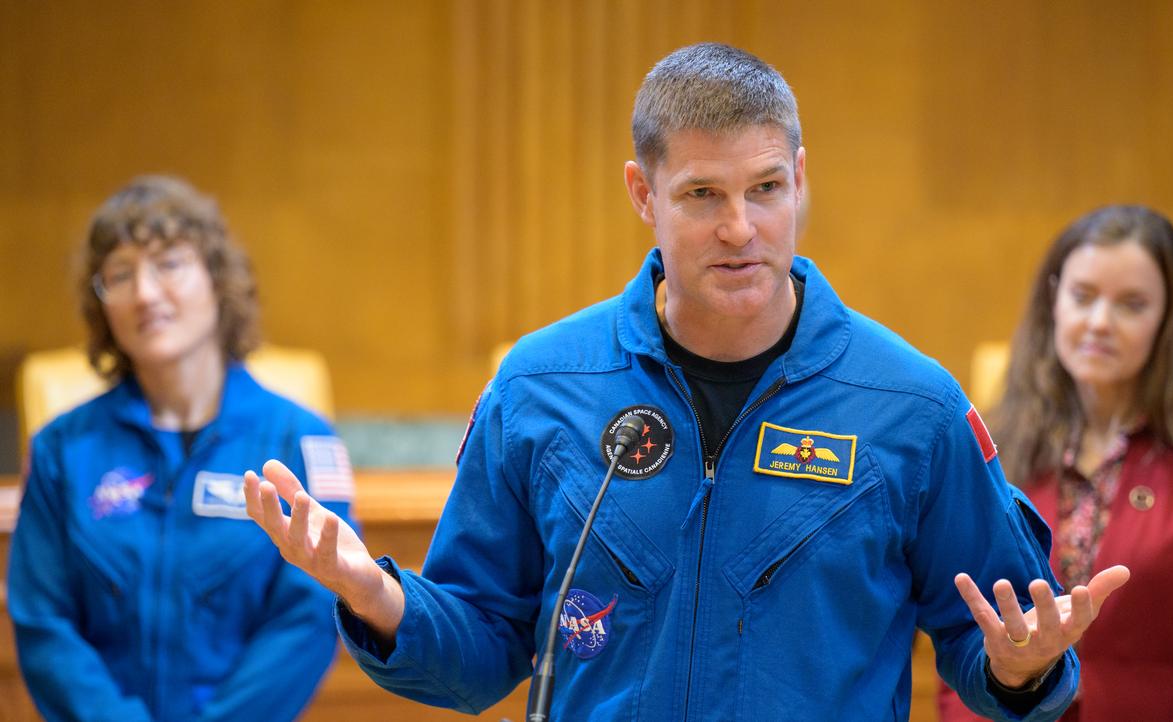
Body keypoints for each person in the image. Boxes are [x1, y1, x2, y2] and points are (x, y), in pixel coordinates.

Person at [244, 44, 1128, 721]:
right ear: (643, 192)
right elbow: (484, 645)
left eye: (767, 188)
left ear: (801, 178)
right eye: (703, 195)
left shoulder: (913, 407)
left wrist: (1024, 668)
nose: (741, 228)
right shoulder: (541, 385)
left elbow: (1001, 645)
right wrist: (376, 596)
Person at [8, 175, 357, 721]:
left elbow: (309, 614)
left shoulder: (299, 440)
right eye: (119, 275)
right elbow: (42, 620)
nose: (145, 293)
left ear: (216, 280)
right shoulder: (62, 450)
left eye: (169, 263)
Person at [937, 205, 1173, 721]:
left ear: (1168, 320)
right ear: (1054, 300)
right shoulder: (991, 446)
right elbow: (960, 642)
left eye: (1132, 304)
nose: (1099, 322)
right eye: (1083, 296)